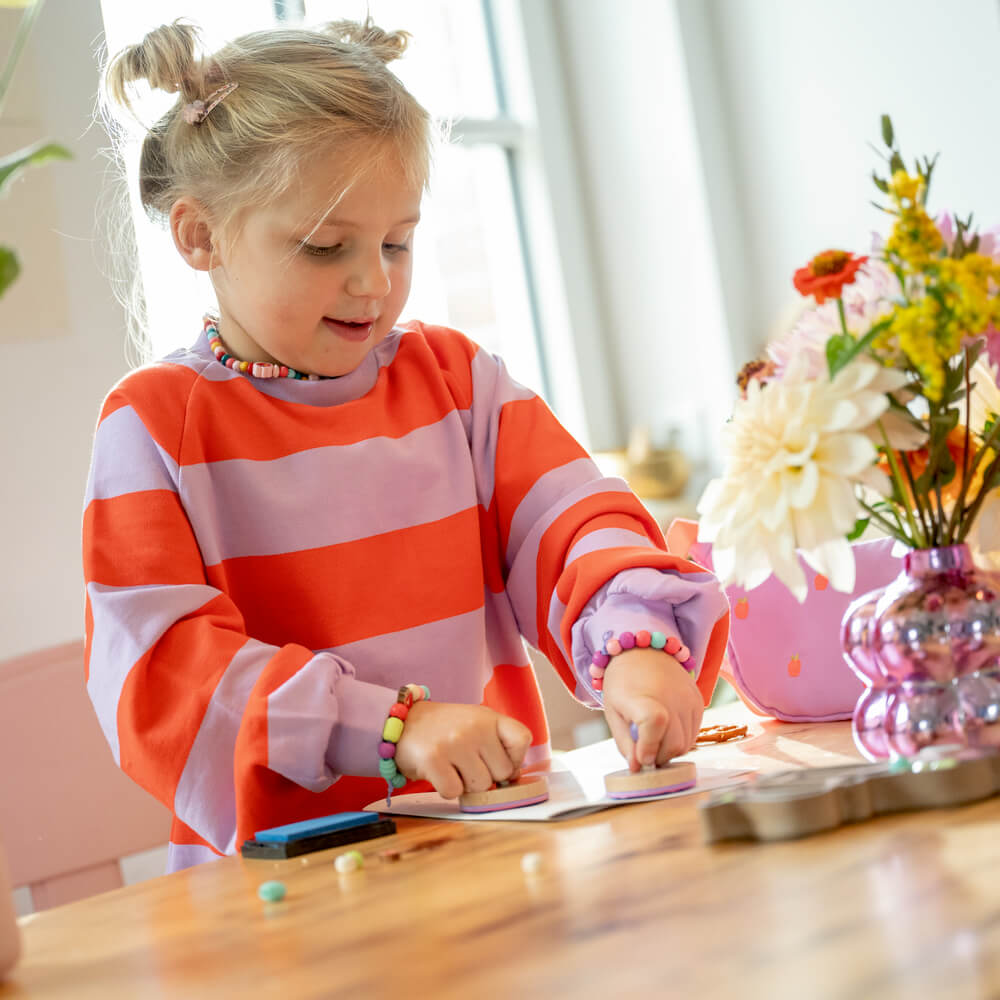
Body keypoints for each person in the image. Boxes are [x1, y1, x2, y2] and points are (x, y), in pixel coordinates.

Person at [86, 17, 730, 872]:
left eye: (397, 240)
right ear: (200, 234)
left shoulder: (457, 383)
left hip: (493, 864)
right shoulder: (152, 424)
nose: (373, 282)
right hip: (287, 899)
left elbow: (574, 520)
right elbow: (166, 671)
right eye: (325, 247)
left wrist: (635, 648)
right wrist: (394, 728)